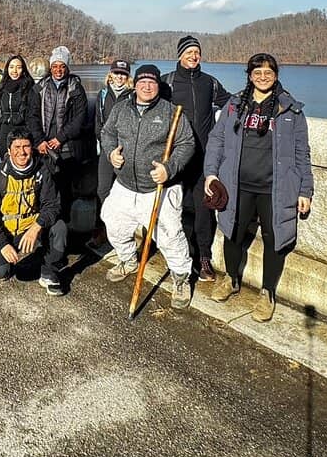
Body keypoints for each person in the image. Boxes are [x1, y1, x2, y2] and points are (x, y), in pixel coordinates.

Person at [204, 52, 314, 322]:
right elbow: (216, 141)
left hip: (275, 188)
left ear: (275, 75)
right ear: (249, 76)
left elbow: (302, 152)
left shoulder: (290, 110)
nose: (262, 77)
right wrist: (210, 174)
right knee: (233, 233)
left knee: (274, 240)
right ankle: (231, 279)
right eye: (257, 73)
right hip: (238, 184)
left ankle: (267, 293)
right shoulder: (234, 105)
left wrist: (305, 190)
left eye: (268, 73)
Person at [100, 63, 196, 309]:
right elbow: (107, 133)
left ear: (157, 85)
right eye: (142, 81)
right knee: (113, 223)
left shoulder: (171, 112)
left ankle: (181, 278)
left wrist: (169, 167)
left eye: (152, 82)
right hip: (125, 184)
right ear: (135, 84)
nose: (147, 86)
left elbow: (187, 143)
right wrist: (111, 153)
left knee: (169, 236)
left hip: (159, 188)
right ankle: (128, 259)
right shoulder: (121, 109)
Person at [162, 36, 230, 283]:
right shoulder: (166, 83)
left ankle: (203, 258)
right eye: (189, 52)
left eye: (196, 52)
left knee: (203, 211)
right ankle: (177, 256)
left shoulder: (209, 83)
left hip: (203, 157)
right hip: (176, 157)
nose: (193, 55)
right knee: (174, 210)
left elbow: (232, 104)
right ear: (180, 55)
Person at [0, 129, 67, 295]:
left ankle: (49, 271)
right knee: (0, 272)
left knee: (60, 227)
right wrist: (2, 243)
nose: (22, 152)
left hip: (32, 227)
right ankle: (1, 252)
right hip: (7, 230)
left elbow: (53, 205)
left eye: (26, 146)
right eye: (17, 147)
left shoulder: (42, 171)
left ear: (32, 148)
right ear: (9, 151)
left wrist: (36, 227)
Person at [34, 46, 88, 223]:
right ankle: (44, 223)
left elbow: (80, 119)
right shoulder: (40, 87)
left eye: (62, 66)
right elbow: (31, 116)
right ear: (50, 67)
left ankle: (63, 225)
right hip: (43, 147)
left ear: (67, 68)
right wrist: (40, 140)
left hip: (66, 147)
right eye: (55, 66)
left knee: (65, 189)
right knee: (44, 187)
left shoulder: (76, 88)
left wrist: (60, 138)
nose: (58, 70)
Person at [90, 59, 133, 248]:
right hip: (107, 151)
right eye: (116, 73)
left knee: (125, 192)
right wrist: (106, 146)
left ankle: (123, 232)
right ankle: (101, 230)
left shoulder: (132, 96)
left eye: (123, 74)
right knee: (102, 190)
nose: (119, 77)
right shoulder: (103, 94)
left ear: (128, 76)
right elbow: (98, 124)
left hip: (126, 152)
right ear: (110, 75)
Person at [0, 54, 43, 161]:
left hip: (22, 130)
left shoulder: (30, 88)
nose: (14, 71)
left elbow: (34, 114)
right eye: (11, 67)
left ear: (23, 70)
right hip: (4, 131)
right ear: (7, 68)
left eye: (18, 67)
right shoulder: (0, 88)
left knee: (21, 162)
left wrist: (36, 138)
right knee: (6, 163)